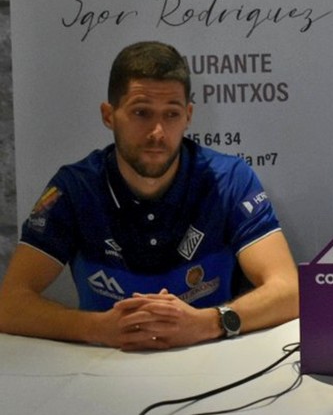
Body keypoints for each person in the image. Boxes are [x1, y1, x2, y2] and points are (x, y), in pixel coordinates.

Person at [0, 41, 299, 350]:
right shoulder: (75, 188)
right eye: (141, 113)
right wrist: (97, 328)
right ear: (109, 115)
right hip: (103, 366)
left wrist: (210, 323)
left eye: (171, 114)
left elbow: (289, 291)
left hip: (210, 358)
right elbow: (9, 305)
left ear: (188, 116)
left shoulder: (230, 179)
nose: (157, 131)